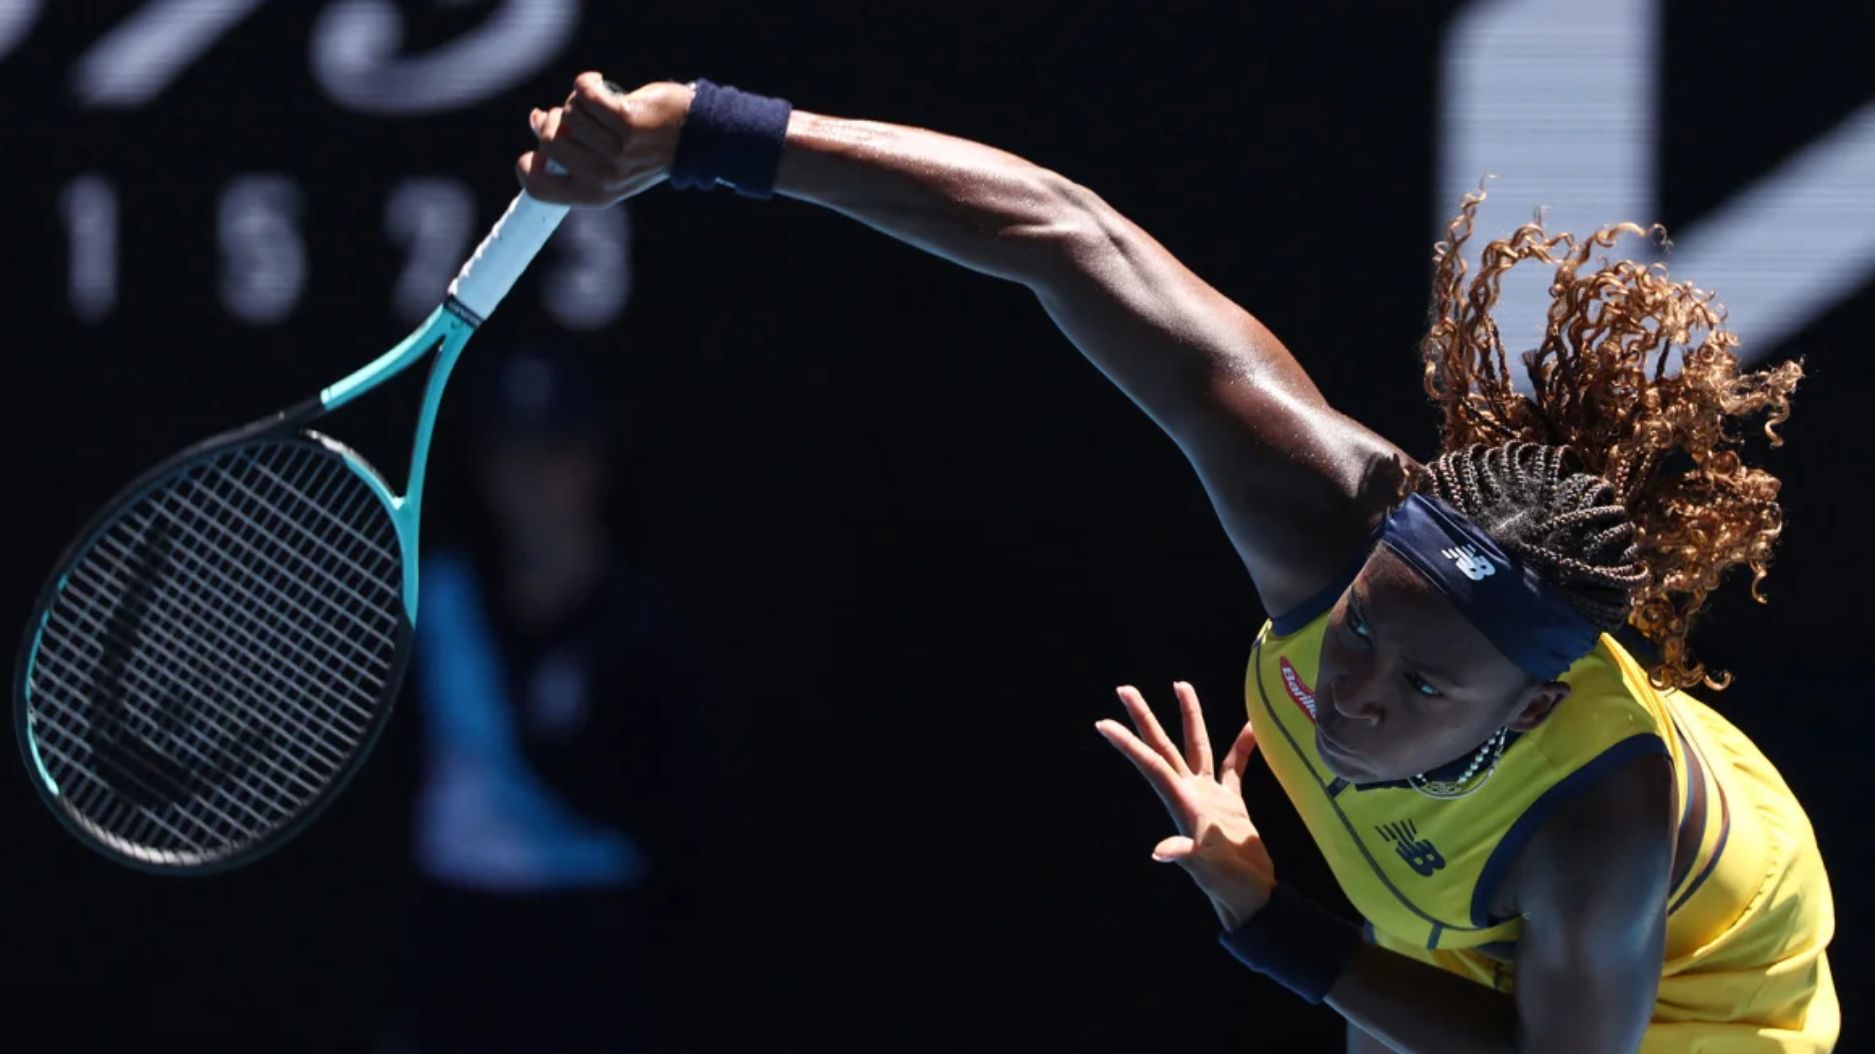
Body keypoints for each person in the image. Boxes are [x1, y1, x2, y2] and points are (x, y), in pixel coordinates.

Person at [516, 73, 1837, 1051]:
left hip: (1693, 1010)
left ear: (1529, 707)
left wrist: (1270, 925)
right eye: (1366, 628)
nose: (1353, 689)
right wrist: (702, 135)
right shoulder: (1320, 524)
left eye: (1422, 686)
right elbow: (1064, 235)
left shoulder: (1592, 838)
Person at [385, 343, 710, 1053]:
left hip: (594, 945)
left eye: (553, 453)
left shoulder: (645, 629)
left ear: (593, 462)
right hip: (456, 942)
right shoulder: (434, 603)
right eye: (512, 455)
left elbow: (686, 824)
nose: (531, 483)